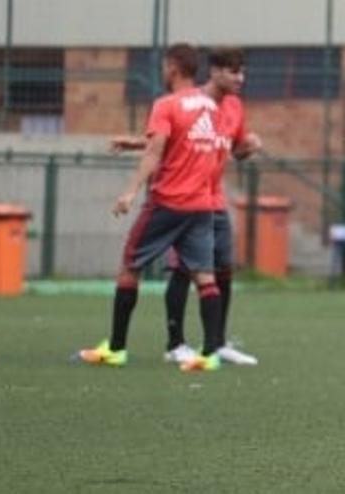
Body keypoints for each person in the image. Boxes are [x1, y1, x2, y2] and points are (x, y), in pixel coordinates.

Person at [79, 43, 233, 372]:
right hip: (202, 205)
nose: (163, 72)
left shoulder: (167, 104)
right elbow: (218, 153)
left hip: (168, 202)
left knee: (129, 268)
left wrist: (130, 192)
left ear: (174, 68)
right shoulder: (213, 108)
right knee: (205, 278)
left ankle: (117, 348)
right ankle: (209, 355)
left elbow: (156, 151)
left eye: (165, 66)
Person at [131, 48, 261, 367]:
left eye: (243, 72)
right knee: (183, 270)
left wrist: (250, 147)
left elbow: (234, 150)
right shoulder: (190, 102)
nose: (240, 79)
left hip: (214, 201)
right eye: (234, 72)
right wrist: (136, 144)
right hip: (184, 200)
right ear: (214, 71)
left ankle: (216, 343)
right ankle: (175, 342)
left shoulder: (234, 107)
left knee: (222, 269)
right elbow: (174, 140)